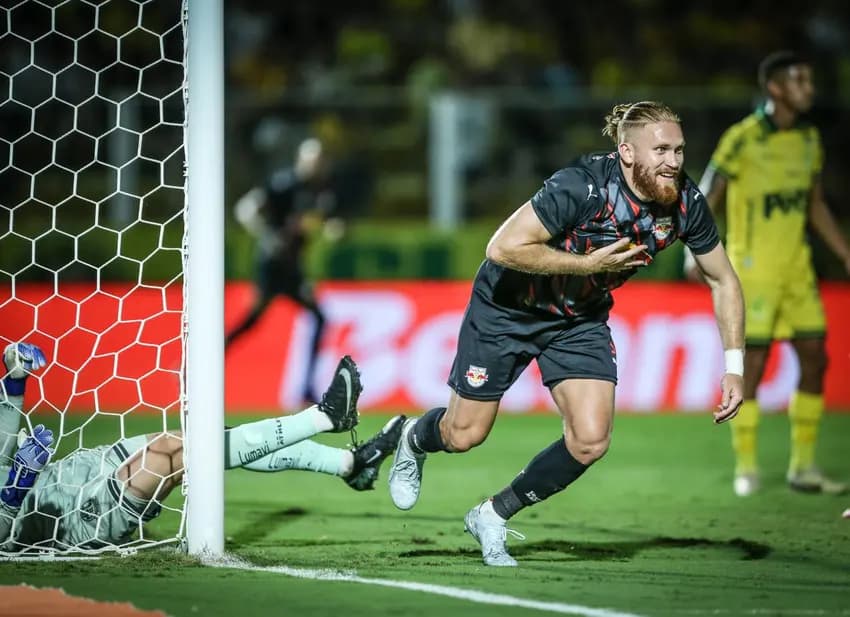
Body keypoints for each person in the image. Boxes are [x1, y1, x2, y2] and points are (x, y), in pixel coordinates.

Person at [387, 101, 746, 567]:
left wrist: (734, 367)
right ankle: (415, 437)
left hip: (578, 318)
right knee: (463, 434)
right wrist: (587, 265)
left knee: (591, 439)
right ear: (627, 152)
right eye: (661, 150)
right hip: (507, 309)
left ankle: (492, 514)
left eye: (678, 150)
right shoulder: (582, 187)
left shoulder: (684, 203)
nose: (673, 162)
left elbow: (723, 279)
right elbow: (502, 247)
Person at [0, 342, 405, 553]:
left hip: (84, 467)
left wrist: (15, 375)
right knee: (177, 452)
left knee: (206, 440)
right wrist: (15, 490)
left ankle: (350, 464)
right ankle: (326, 418)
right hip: (78, 517)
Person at [684, 51, 850, 497]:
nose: (809, 89)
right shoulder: (742, 139)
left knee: (816, 357)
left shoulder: (810, 139)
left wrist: (844, 253)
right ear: (775, 88)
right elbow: (705, 194)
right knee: (752, 366)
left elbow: (814, 204)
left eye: (810, 81)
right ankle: (747, 467)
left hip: (798, 269)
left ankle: (803, 466)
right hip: (750, 270)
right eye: (800, 81)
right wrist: (693, 251)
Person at [226, 137, 344, 403]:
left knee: (319, 317)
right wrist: (268, 235)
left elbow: (316, 222)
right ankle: (202, 366)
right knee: (251, 322)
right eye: (314, 160)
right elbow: (245, 209)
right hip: (272, 265)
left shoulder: (320, 192)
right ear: (302, 161)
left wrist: (329, 228)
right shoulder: (284, 183)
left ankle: (306, 389)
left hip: (292, 268)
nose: (317, 166)